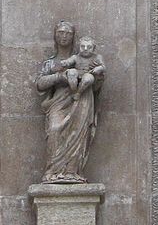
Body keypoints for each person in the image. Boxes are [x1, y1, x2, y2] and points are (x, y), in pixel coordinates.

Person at [33, 20, 106, 183]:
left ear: (73, 37)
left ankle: (72, 172)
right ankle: (53, 172)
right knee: (54, 130)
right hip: (58, 102)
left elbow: (96, 86)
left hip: (82, 99)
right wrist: (60, 76)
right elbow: (39, 84)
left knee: (77, 135)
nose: (64, 36)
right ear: (55, 35)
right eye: (61, 32)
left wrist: (98, 77)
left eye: (68, 33)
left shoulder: (85, 59)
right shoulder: (51, 62)